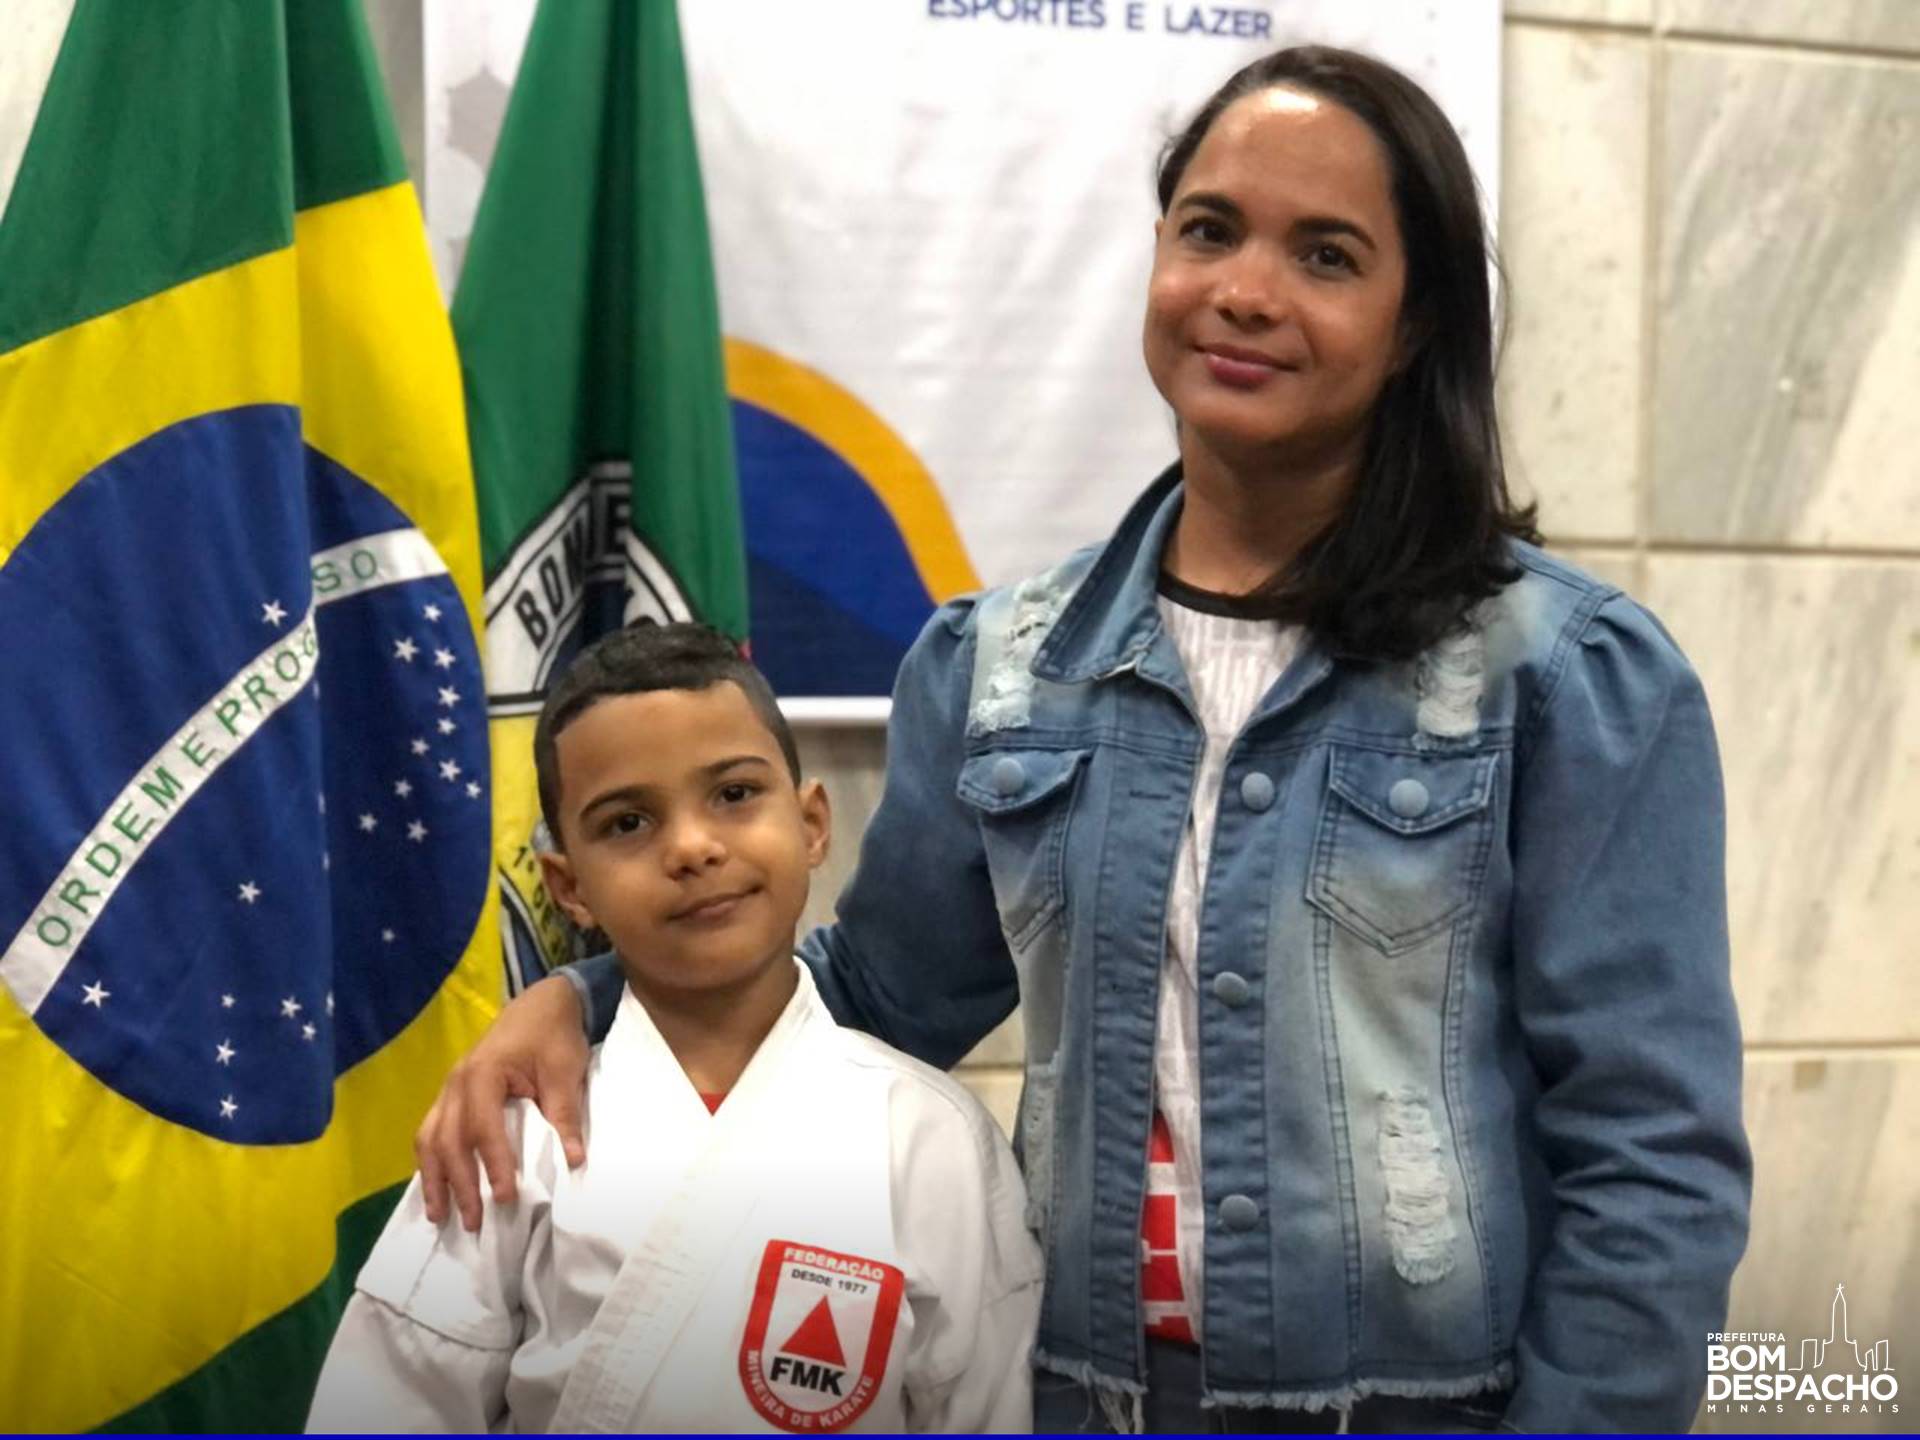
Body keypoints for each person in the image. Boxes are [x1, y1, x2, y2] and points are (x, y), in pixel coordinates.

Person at [415, 46, 1751, 1434]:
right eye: (1210, 230)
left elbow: (1652, 1157)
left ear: (1416, 323)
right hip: (1072, 1399)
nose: (1245, 291)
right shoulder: (997, 668)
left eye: (1327, 255)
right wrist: (583, 1002)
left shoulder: (1567, 675)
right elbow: (873, 998)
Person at [309, 624, 1042, 1433]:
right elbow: (391, 1402)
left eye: (734, 794)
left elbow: (990, 1411)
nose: (692, 847)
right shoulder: (516, 1134)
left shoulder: (933, 1139)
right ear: (569, 887)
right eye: (628, 823)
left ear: (812, 824)